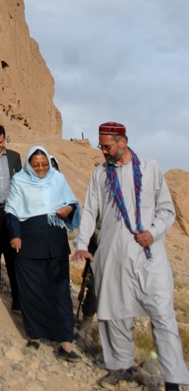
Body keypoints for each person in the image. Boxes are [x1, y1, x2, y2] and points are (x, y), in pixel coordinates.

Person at [73, 122, 189, 390]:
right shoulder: (100, 174)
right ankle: (120, 367)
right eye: (101, 146)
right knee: (113, 314)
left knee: (162, 315)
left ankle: (174, 379)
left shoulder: (150, 168)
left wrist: (153, 232)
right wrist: (81, 243)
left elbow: (166, 210)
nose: (103, 151)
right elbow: (90, 210)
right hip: (113, 254)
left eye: (107, 146)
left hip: (149, 257)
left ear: (122, 142)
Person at [5, 145, 81, 360]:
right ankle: (35, 335)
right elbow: (12, 210)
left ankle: (65, 342)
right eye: (36, 164)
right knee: (31, 290)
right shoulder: (20, 180)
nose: (40, 168)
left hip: (55, 242)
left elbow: (72, 203)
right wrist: (15, 235)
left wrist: (68, 209)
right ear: (29, 164)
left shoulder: (58, 179)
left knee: (60, 291)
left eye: (44, 164)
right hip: (29, 241)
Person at [0, 124, 22, 308]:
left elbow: (20, 183)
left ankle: (18, 298)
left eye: (0, 142)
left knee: (13, 254)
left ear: (4, 138)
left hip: (10, 210)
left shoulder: (14, 157)